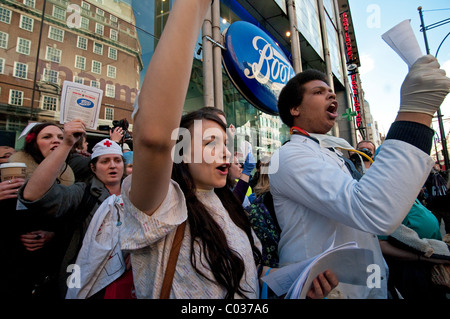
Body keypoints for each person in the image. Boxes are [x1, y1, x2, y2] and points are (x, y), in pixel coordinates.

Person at [119, 0, 337, 299]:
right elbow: (154, 138)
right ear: (180, 151)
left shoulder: (231, 207)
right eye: (210, 143)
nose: (224, 152)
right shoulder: (161, 203)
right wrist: (191, 8)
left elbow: (248, 277)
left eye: (225, 143)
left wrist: (298, 287)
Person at [269, 55, 450, 299]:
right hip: (327, 290)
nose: (331, 95)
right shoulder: (289, 157)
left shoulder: (333, 152)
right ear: (295, 109)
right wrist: (416, 111)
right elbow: (371, 208)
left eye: (331, 92)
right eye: (319, 92)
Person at [19, 120, 125, 298]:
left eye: (117, 160)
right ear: (93, 167)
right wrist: (67, 143)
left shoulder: (135, 196)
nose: (113, 166)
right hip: (86, 282)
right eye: (105, 161)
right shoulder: (82, 193)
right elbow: (32, 195)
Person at [5, 123, 75, 299]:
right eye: (47, 137)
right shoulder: (9, 174)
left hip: (50, 270)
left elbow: (73, 223)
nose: (56, 141)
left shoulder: (70, 177)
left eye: (60, 137)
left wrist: (52, 235)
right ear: (33, 143)